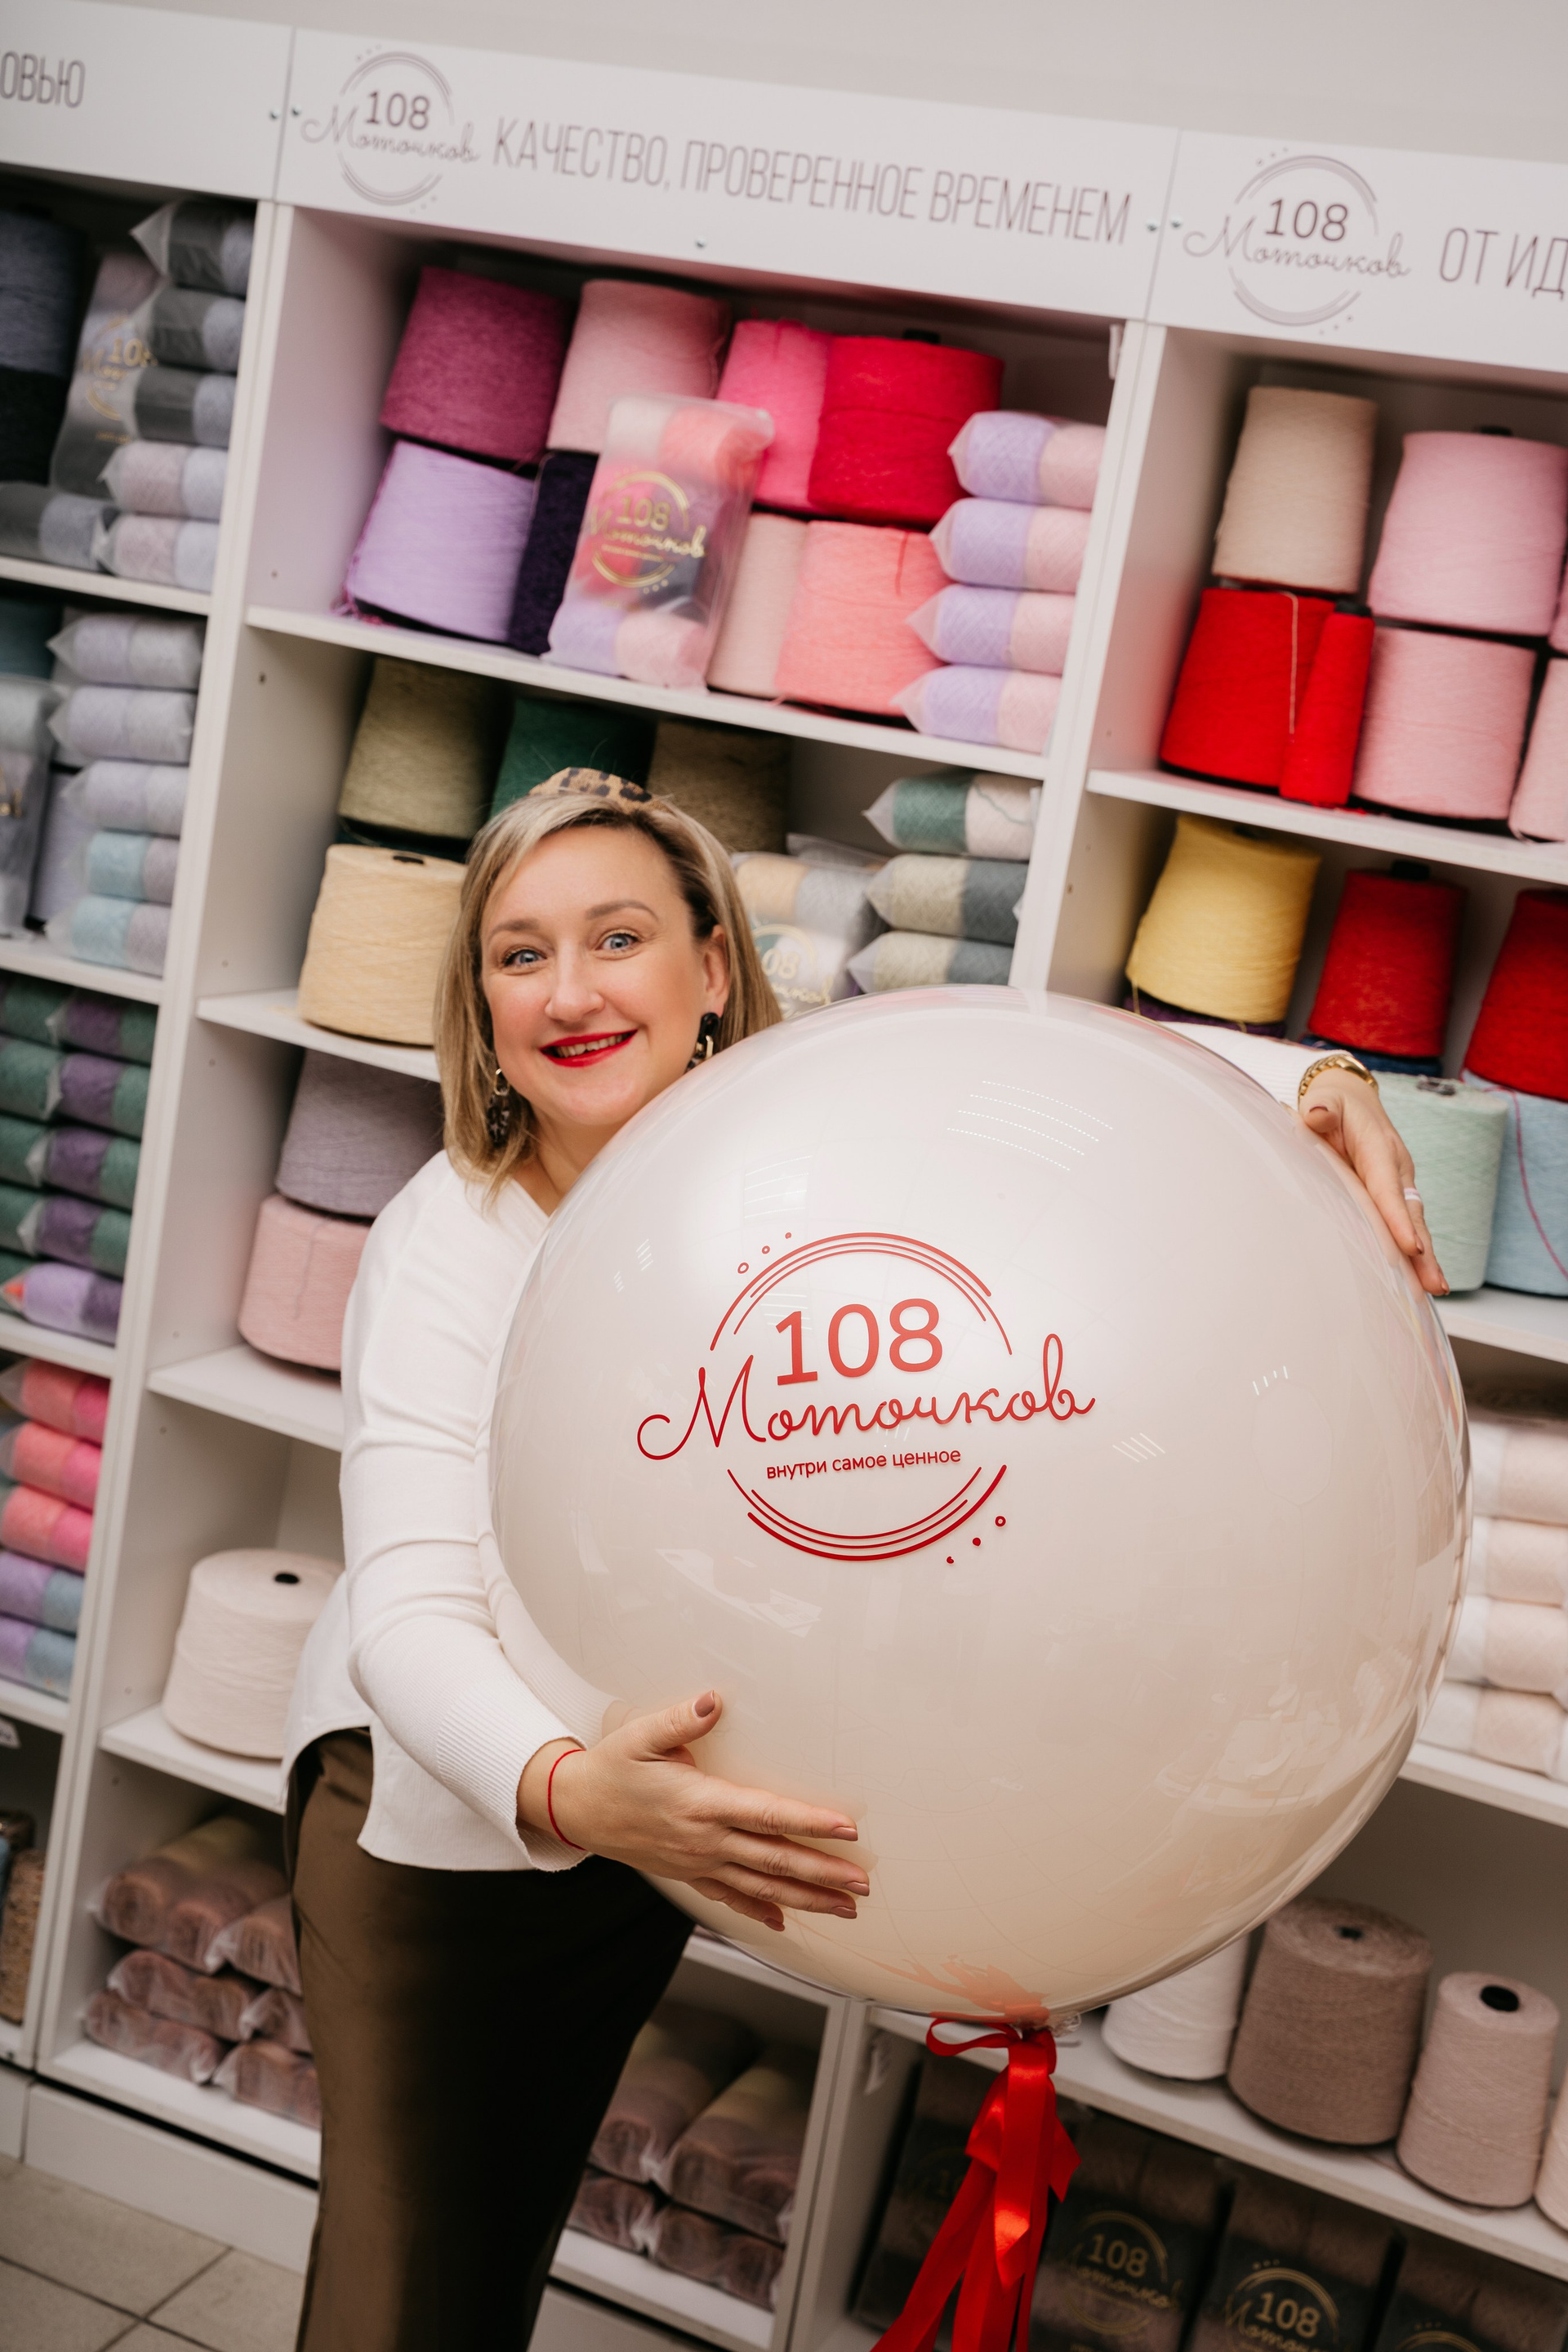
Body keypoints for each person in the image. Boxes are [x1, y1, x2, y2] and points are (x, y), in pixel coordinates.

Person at [283, 770, 1446, 2352]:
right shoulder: (452, 1239)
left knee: (498, 2245)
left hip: (653, 1826)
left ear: (713, 966)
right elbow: (409, 1620)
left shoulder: (791, 1142)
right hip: (444, 1828)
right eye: (519, 955)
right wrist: (569, 1791)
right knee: (407, 2292)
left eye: (617, 938)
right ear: (481, 1009)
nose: (570, 993)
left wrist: (1316, 1078)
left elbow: (1037, 1067)